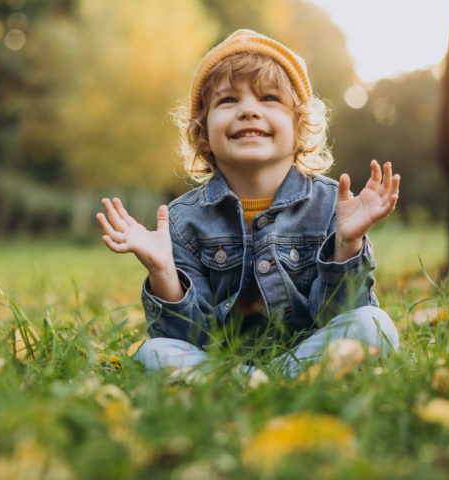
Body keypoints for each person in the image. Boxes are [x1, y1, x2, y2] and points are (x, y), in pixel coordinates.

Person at [96, 29, 400, 377]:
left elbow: (339, 317)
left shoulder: (332, 205)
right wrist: (163, 272)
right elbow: (188, 338)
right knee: (154, 352)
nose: (248, 111)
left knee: (374, 325)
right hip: (221, 365)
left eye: (268, 98)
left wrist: (348, 245)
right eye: (228, 101)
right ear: (203, 133)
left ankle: (267, 381)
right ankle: (246, 382)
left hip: (308, 355)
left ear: (299, 127)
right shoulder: (183, 221)